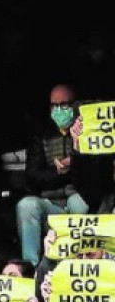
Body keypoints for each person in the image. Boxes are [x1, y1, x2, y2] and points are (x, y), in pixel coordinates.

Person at [18, 85, 89, 263]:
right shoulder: (42, 135)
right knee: (26, 205)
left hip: (79, 198)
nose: (58, 110)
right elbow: (33, 176)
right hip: (51, 204)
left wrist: (76, 161)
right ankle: (31, 267)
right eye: (54, 105)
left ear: (76, 105)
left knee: (79, 203)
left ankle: (76, 264)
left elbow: (95, 174)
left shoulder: (89, 131)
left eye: (64, 105)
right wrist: (59, 171)